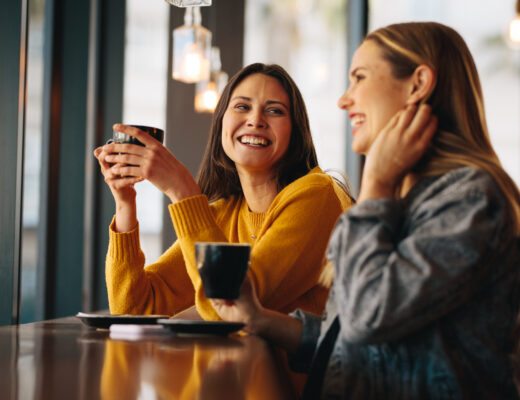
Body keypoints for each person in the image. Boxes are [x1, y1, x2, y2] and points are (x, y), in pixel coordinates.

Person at [212, 22, 520, 399]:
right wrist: (260, 320)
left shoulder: (471, 200)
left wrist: (374, 183)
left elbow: (367, 318)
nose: (344, 99)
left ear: (418, 84)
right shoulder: (410, 199)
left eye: (359, 78)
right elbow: (358, 346)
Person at [93, 63, 353, 322]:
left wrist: (181, 189)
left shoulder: (317, 195)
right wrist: (125, 203)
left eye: (274, 111)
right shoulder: (223, 215)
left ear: (295, 132)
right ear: (220, 124)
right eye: (242, 107)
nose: (255, 120)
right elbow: (134, 309)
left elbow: (232, 306)